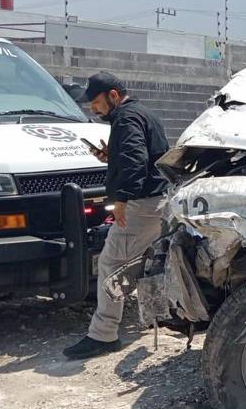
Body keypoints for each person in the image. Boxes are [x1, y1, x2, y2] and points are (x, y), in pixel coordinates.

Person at [63, 72, 169, 360]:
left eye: (96, 102)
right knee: (144, 262)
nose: (93, 109)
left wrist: (121, 198)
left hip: (142, 204)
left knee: (112, 262)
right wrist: (112, 156)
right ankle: (154, 316)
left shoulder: (126, 118)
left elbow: (137, 160)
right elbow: (144, 155)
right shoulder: (141, 112)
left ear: (113, 95)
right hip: (158, 201)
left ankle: (103, 335)